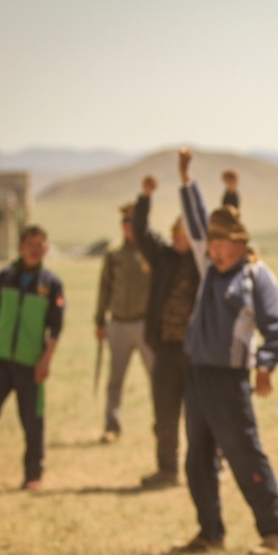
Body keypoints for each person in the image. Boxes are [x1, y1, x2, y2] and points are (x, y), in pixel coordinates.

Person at [173, 147, 278, 555]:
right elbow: (194, 222)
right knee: (197, 459)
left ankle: (275, 532)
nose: (215, 249)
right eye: (212, 242)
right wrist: (186, 178)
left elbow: (275, 328)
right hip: (199, 374)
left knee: (244, 455)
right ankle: (210, 533)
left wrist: (265, 365)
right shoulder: (209, 271)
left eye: (223, 242)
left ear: (239, 243)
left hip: (230, 378)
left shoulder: (256, 277)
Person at [0, 225, 66, 493]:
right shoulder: (5, 276)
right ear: (20, 246)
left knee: (32, 420)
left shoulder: (51, 284)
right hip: (0, 358)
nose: (36, 248)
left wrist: (45, 361)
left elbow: (55, 328)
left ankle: (33, 473)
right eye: (31, 243)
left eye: (41, 244)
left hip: (30, 363)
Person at [131, 174, 204, 488]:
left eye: (185, 231)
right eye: (175, 230)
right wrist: (145, 198)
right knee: (164, 413)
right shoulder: (162, 258)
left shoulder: (204, 263)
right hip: (165, 349)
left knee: (200, 414)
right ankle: (167, 469)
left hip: (195, 352)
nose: (178, 236)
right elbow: (140, 232)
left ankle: (207, 466)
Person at [95, 202, 154, 443]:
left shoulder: (151, 251)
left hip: (145, 325)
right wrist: (100, 320)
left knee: (157, 379)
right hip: (117, 324)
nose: (128, 227)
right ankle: (112, 425)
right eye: (125, 223)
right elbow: (104, 288)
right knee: (115, 379)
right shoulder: (114, 253)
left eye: (133, 222)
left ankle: (162, 426)